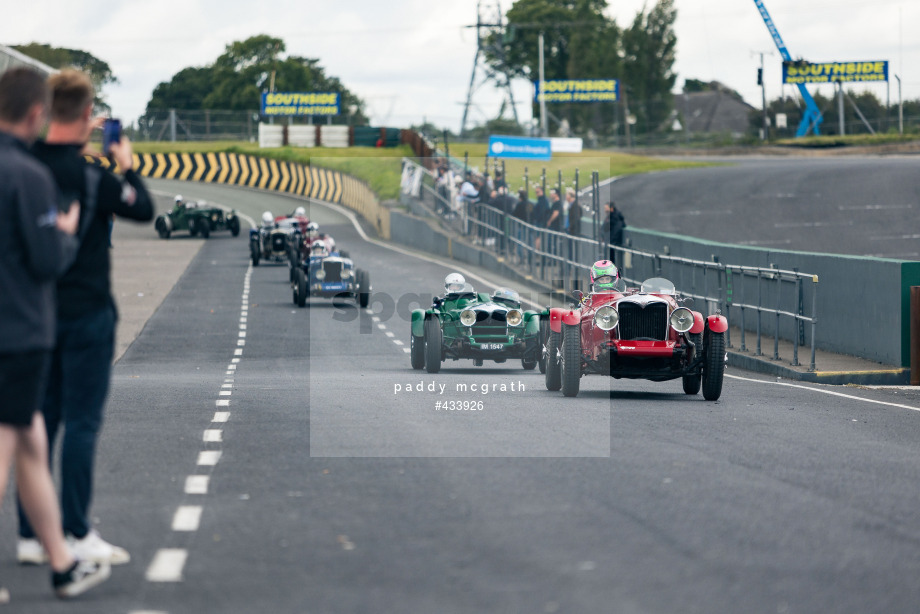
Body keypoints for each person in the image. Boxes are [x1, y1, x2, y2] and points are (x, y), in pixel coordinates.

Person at [16, 69, 154, 568]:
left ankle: (31, 533)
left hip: (35, 314)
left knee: (38, 424)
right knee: (82, 423)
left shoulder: (24, 167)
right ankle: (75, 529)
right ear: (88, 116)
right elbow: (144, 211)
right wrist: (127, 165)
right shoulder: (94, 176)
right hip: (89, 313)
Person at [0, 67, 111, 600]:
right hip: (18, 329)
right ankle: (65, 551)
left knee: (33, 441)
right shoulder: (26, 175)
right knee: (10, 442)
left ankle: (60, 558)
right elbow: (46, 261)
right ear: (35, 114)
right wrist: (65, 236)